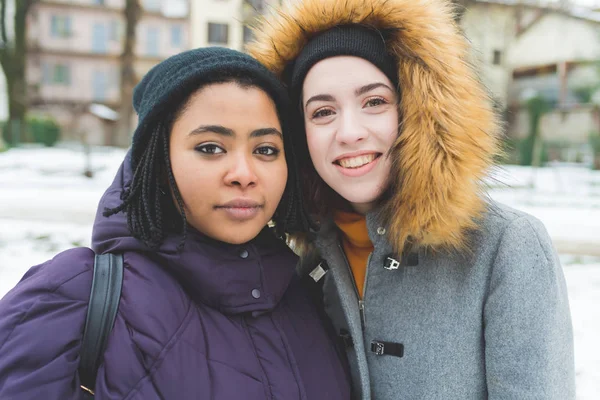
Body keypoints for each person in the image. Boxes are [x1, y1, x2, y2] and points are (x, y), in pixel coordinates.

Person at [247, 0, 575, 399]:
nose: (349, 132)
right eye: (322, 112)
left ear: (419, 111)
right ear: (298, 135)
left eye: (374, 102)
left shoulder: (506, 248)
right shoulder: (303, 263)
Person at [0, 47, 351, 399]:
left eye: (266, 150)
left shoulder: (308, 296)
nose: (245, 174)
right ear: (155, 160)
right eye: (211, 148)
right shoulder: (71, 298)